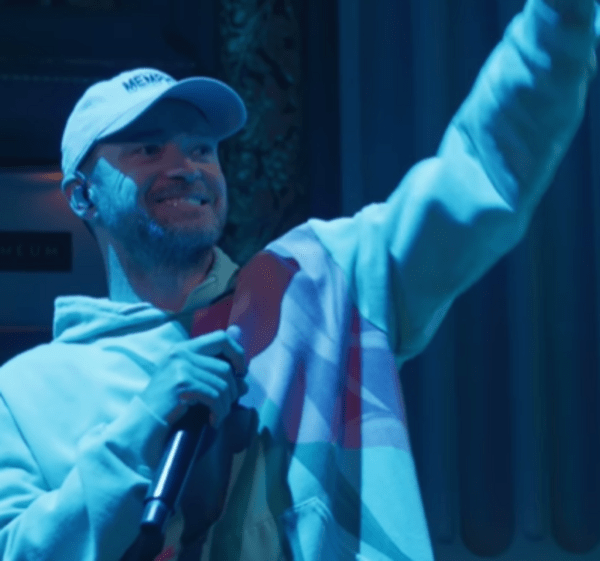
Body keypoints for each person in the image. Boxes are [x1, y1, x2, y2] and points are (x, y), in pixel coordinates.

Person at [0, 0, 598, 559]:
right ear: (82, 196)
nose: (186, 168)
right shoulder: (23, 394)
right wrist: (143, 426)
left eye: (202, 149)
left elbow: (479, 171)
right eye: (149, 149)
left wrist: (560, 20)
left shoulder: (317, 285)